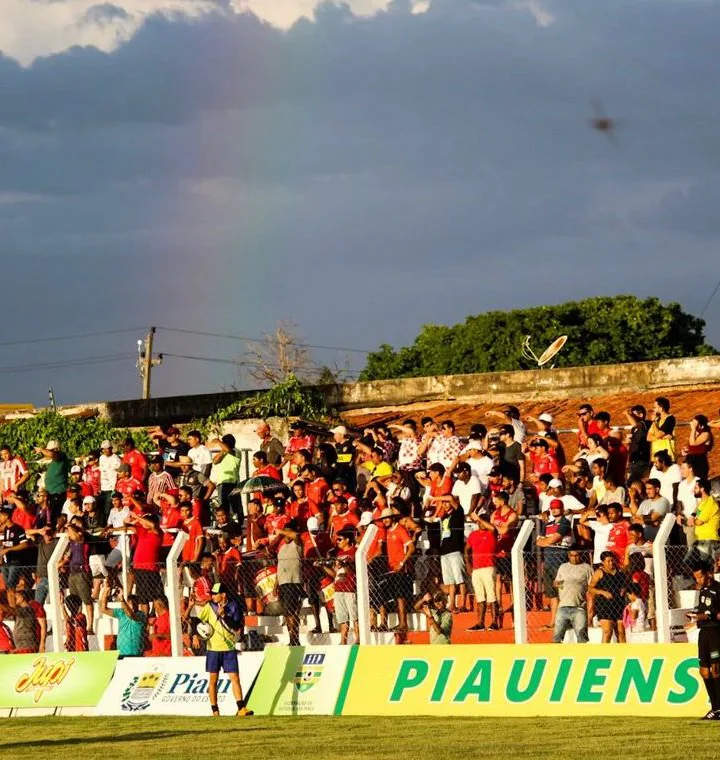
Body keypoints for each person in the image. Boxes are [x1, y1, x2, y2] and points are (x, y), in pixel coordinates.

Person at [198, 581, 252, 717]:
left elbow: (235, 626)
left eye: (215, 594)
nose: (213, 596)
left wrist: (224, 615)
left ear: (223, 595)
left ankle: (241, 708)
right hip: (213, 649)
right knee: (213, 680)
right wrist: (195, 634)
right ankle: (215, 710)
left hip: (228, 648)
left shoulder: (234, 606)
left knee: (235, 678)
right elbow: (197, 621)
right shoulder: (209, 606)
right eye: (212, 594)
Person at [691, 563, 720, 720]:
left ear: (709, 573)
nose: (698, 580)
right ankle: (714, 708)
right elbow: (702, 610)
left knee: (716, 670)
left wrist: (708, 616)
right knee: (704, 671)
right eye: (696, 578)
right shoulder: (702, 590)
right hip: (704, 634)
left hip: (715, 633)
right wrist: (695, 616)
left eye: (700, 577)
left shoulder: (718, 589)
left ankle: (718, 709)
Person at [552, 548, 593, 644]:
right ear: (568, 556)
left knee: (581, 636)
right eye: (571, 555)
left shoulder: (587, 568)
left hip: (579, 607)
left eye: (576, 555)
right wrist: (557, 583)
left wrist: (590, 611)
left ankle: (582, 656)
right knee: (557, 636)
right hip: (563, 606)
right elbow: (556, 582)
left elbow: (591, 588)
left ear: (580, 555)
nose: (574, 558)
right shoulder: (563, 567)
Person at [589, 551, 627, 643]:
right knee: (607, 631)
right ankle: (604, 653)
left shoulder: (620, 571)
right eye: (608, 561)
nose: (611, 563)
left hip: (618, 603)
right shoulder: (599, 572)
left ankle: (623, 653)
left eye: (612, 560)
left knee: (621, 632)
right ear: (603, 562)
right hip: (604, 605)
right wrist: (603, 592)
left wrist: (624, 589)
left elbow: (625, 583)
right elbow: (590, 588)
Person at [100, 583, 147, 657]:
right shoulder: (121, 612)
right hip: (121, 653)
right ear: (127, 604)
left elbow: (131, 615)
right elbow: (103, 609)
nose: (132, 606)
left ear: (138, 604)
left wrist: (122, 600)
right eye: (130, 603)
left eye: (134, 604)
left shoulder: (141, 615)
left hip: (135, 654)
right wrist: (105, 593)